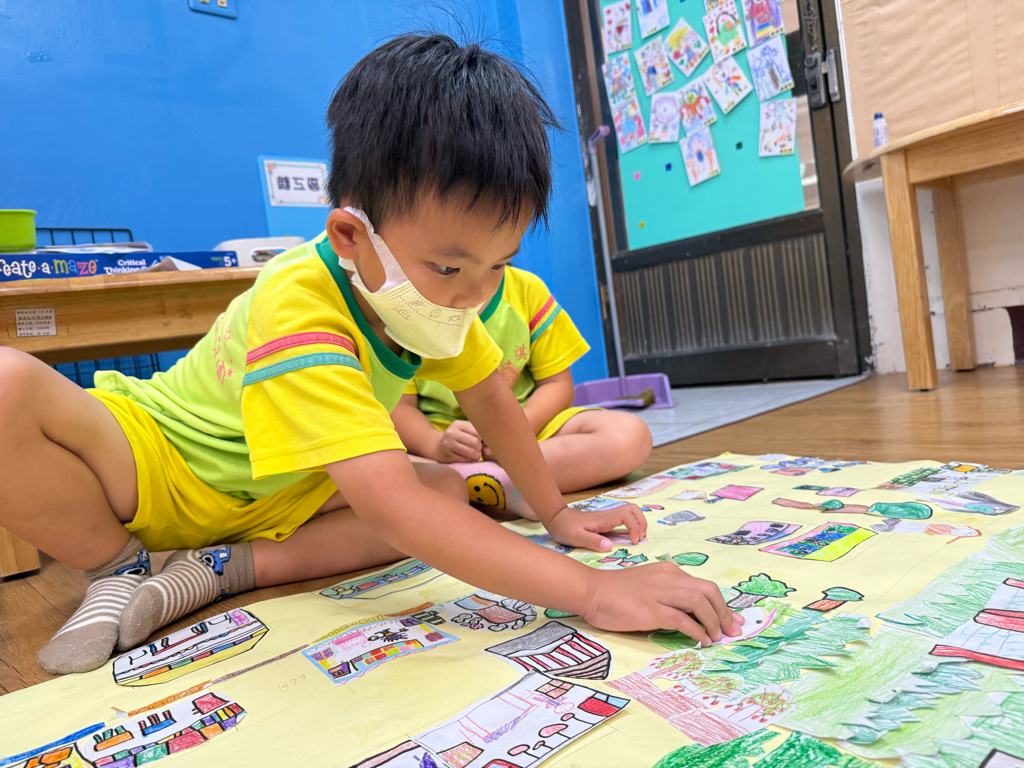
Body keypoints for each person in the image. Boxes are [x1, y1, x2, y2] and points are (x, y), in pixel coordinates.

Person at [0, 34, 741, 675]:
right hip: (160, 464)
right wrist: (591, 590)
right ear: (353, 236)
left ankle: (219, 570)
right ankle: (118, 566)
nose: (474, 295)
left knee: (447, 495)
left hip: (283, 494)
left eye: (499, 266)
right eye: (449, 267)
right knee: (6, 383)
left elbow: (492, 397)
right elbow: (388, 504)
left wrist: (555, 513)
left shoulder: (441, 298)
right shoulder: (300, 298)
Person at [391, 264, 653, 519]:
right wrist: (436, 445)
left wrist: (518, 431)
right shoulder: (407, 307)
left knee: (630, 435)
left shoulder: (526, 290)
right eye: (449, 267)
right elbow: (400, 408)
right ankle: (483, 481)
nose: (476, 287)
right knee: (385, 466)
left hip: (529, 429)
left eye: (496, 265)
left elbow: (557, 385)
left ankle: (477, 482)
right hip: (448, 443)